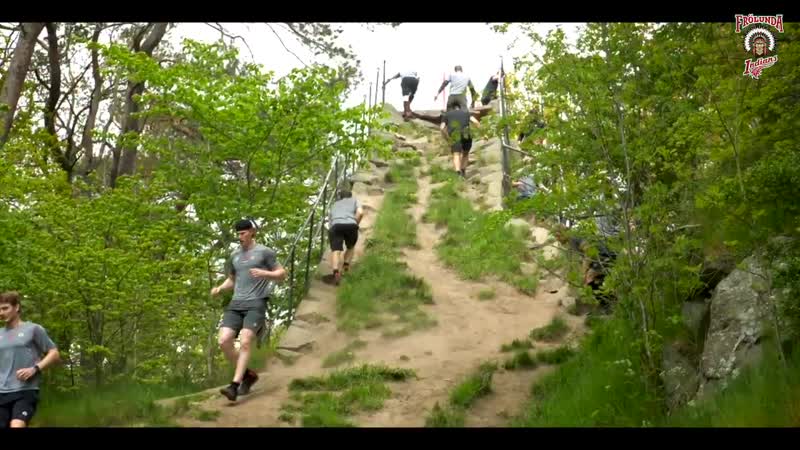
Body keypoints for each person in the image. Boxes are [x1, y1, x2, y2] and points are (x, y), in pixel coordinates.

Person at [210, 219, 286, 402]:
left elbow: (282, 274)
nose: (240, 237)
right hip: (236, 304)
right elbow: (232, 280)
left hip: (256, 303)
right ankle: (248, 375)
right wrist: (220, 288)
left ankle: (234, 386)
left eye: (243, 233)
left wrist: (265, 274)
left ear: (252, 232)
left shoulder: (264, 252)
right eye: (238, 234)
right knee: (223, 341)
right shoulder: (235, 256)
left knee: (244, 341)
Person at [0, 291, 60, 428]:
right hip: (1, 392)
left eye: (5, 308)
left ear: (17, 307)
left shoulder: (33, 329)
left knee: (17, 424)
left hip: (25, 390)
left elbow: (54, 353)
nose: (1, 313)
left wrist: (35, 369)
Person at [328, 190, 364, 285]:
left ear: (340, 197)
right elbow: (360, 213)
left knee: (336, 250)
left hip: (336, 225)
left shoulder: (334, 204)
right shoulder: (354, 201)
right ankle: (346, 266)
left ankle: (335, 271)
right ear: (350, 196)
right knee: (350, 246)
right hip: (351, 225)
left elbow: (330, 221)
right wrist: (356, 223)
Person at [440, 103, 480, 178]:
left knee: (456, 154)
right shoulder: (466, 113)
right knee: (465, 153)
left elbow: (442, 128)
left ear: (451, 108)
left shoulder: (447, 115)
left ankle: (458, 173)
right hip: (466, 134)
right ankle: (463, 170)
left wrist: (447, 138)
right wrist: (483, 133)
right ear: (460, 108)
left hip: (455, 135)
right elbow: (476, 122)